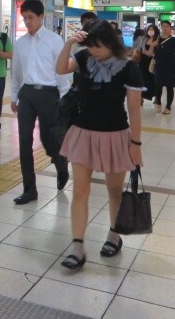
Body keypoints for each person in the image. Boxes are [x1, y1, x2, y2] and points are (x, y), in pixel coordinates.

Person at [55, 20, 144, 270]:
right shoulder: (83, 58)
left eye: (99, 46)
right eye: (91, 46)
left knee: (114, 190)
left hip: (115, 134)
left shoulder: (128, 68)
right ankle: (77, 246)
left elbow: (134, 110)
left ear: (111, 43)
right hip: (83, 133)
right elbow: (61, 68)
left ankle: (114, 235)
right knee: (80, 191)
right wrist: (71, 43)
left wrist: (136, 143)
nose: (95, 51)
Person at [10, 0, 69, 205]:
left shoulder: (54, 41)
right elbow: (16, 72)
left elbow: (61, 72)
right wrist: (14, 96)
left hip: (49, 94)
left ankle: (61, 165)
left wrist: (64, 98)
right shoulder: (20, 43)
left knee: (48, 139)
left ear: (41, 17)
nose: (27, 22)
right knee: (24, 142)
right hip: (27, 95)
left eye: (30, 18)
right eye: (24, 18)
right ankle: (29, 189)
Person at [153, 20, 175, 114]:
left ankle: (168, 107)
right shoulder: (156, 39)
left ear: (170, 28)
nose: (165, 28)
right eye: (163, 26)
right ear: (161, 28)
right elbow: (150, 52)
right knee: (158, 86)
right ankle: (158, 103)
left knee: (170, 87)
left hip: (171, 66)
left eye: (167, 26)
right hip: (159, 66)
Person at [135, 24, 158, 105]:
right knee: (142, 80)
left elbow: (155, 52)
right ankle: (141, 98)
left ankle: (156, 97)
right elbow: (139, 49)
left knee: (153, 80)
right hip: (143, 62)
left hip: (153, 62)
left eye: (152, 29)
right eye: (149, 29)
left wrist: (148, 52)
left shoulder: (158, 40)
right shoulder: (144, 39)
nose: (150, 31)